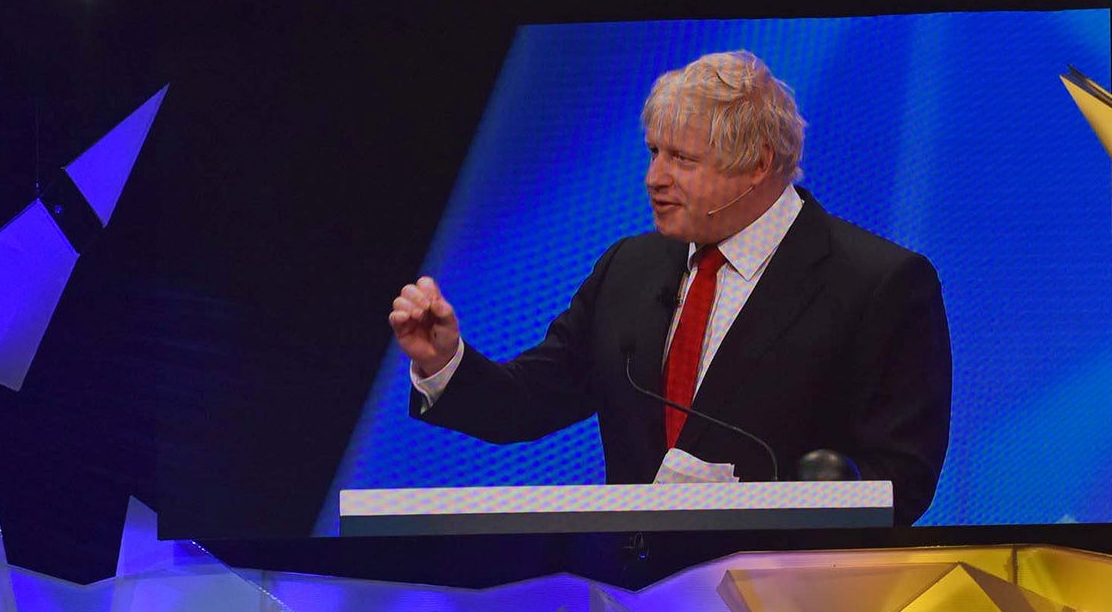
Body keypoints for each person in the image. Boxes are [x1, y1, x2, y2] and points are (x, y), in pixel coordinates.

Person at [391, 50, 953, 523]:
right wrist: (444, 362)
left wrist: (763, 507)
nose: (654, 177)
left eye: (681, 159)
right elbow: (528, 403)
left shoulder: (879, 283)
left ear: (758, 163)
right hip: (635, 607)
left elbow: (902, 478)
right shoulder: (628, 268)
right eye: (653, 152)